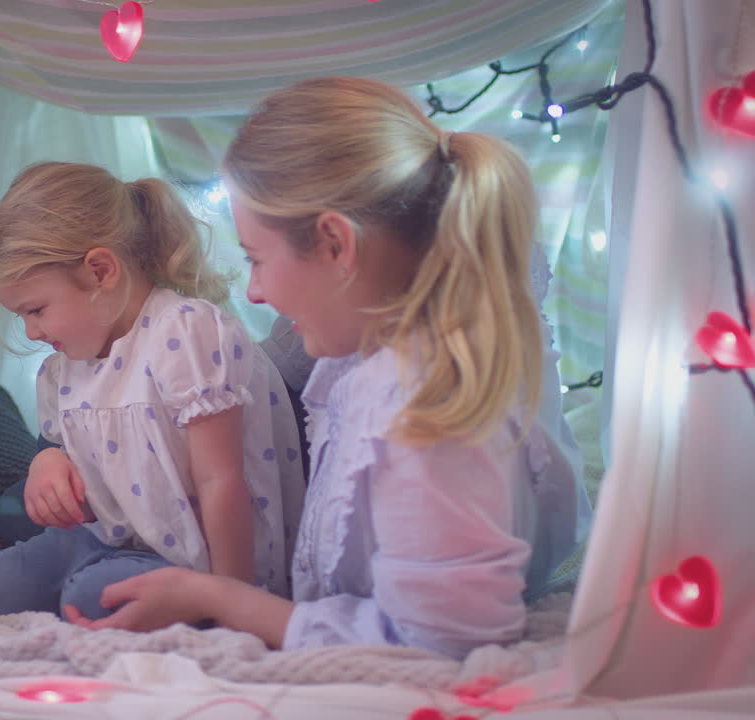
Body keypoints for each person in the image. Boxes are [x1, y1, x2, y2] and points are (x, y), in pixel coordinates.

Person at [64, 76, 590, 661]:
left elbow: (433, 645)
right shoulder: (362, 362)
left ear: (337, 245)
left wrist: (210, 594)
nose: (256, 292)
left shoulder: (421, 409)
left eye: (256, 260)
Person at [0, 162, 306, 621]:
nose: (32, 330)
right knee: (1, 587)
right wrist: (49, 462)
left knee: (89, 594)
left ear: (101, 270)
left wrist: (229, 600)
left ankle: (64, 577)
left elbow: (220, 482)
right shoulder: (63, 370)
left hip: (201, 560)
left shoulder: (185, 334)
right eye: (21, 315)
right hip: (112, 536)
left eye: (37, 310)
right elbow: (65, 457)